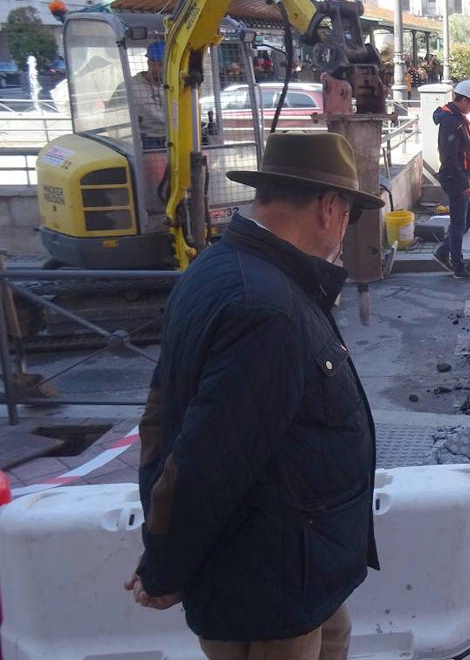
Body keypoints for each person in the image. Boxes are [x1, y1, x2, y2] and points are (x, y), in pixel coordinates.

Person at [129, 130, 384, 659]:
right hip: (272, 585)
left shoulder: (220, 269)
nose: (345, 229)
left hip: (295, 572)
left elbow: (159, 416)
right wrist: (163, 567)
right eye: (349, 214)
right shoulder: (267, 308)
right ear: (329, 206)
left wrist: (163, 549)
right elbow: (206, 463)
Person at [433, 80, 470, 279]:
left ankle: (444, 251)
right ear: (463, 100)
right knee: (458, 223)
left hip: (461, 178)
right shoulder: (451, 122)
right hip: (456, 180)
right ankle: (458, 266)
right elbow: (449, 157)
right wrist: (463, 184)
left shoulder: (457, 117)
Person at [129, 41, 167, 148]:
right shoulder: (131, 86)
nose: (161, 69)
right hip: (146, 138)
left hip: (173, 136)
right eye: (159, 64)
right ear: (149, 62)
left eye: (165, 65)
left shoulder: (175, 85)